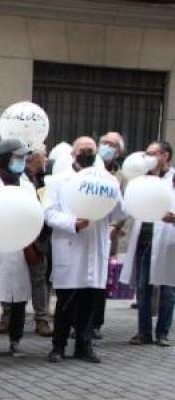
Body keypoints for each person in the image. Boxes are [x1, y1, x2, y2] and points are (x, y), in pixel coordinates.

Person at [45, 136, 124, 364]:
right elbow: (49, 213)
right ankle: (58, 346)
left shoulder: (106, 180)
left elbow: (120, 212)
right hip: (70, 245)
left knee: (90, 302)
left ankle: (84, 345)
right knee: (66, 302)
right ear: (73, 154)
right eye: (83, 149)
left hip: (95, 246)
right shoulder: (58, 181)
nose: (87, 153)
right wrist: (73, 223)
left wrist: (114, 193)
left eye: (91, 150)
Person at [0, 138, 34, 358]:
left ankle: (15, 340)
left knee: (18, 296)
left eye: (23, 158)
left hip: (19, 247)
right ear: (4, 159)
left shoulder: (26, 183)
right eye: (17, 157)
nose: (22, 162)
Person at [120, 140, 175, 346]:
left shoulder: (173, 179)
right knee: (143, 288)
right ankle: (144, 332)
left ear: (165, 156)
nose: (148, 158)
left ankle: (162, 333)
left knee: (168, 288)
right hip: (144, 238)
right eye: (146, 154)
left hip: (168, 239)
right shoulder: (140, 180)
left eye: (154, 153)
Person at [91, 131, 128, 339]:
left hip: (109, 232)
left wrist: (115, 226)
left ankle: (96, 323)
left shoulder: (122, 176)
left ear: (119, 151)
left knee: (101, 281)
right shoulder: (89, 168)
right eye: (104, 142)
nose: (106, 146)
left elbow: (126, 206)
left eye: (112, 144)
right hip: (86, 229)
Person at [25, 146, 54, 337]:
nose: (45, 160)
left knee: (39, 279)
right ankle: (8, 318)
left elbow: (46, 207)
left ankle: (42, 319)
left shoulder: (43, 181)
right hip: (22, 234)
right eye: (43, 156)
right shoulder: (19, 179)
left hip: (40, 236)